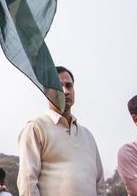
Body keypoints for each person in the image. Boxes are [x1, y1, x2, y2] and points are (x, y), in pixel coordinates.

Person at [17, 66, 106, 195]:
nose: (65, 91)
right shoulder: (36, 128)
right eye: (59, 86)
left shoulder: (87, 136)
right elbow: (27, 182)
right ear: (46, 91)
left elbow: (100, 185)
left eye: (69, 86)